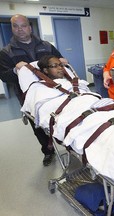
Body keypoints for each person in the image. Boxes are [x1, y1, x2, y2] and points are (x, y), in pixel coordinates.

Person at [0, 14, 68, 166]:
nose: (20, 29)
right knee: (37, 125)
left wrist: (62, 61)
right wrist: (14, 71)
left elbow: (59, 61)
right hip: (29, 97)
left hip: (53, 92)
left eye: (23, 25)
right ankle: (48, 151)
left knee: (62, 118)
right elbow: (4, 76)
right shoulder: (6, 52)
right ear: (11, 28)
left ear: (29, 27)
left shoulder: (46, 46)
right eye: (15, 26)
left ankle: (68, 145)